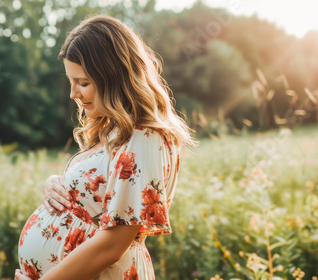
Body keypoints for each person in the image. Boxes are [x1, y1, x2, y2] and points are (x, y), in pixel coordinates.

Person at [15, 14, 197, 280]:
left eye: (83, 82)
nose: (73, 93)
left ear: (114, 77)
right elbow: (96, 194)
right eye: (71, 81)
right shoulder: (112, 130)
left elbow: (113, 245)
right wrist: (56, 184)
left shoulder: (144, 137)